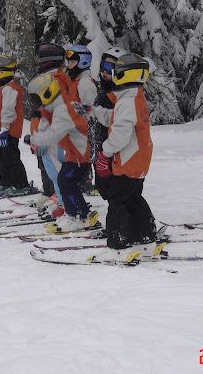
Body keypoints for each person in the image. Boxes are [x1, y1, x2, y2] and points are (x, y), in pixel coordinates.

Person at [73, 54, 158, 262]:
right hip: (139, 161)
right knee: (133, 199)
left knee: (117, 202)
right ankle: (145, 241)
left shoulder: (127, 102)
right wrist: (92, 111)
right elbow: (113, 118)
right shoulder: (134, 98)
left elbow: (120, 134)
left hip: (128, 161)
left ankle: (118, 247)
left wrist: (105, 152)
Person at [24, 72, 90, 231]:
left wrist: (33, 140)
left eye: (35, 100)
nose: (33, 103)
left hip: (80, 154)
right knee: (65, 181)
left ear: (47, 95)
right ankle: (80, 213)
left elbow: (54, 135)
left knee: (65, 181)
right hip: (74, 153)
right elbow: (49, 116)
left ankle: (78, 217)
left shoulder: (62, 110)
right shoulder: (56, 105)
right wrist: (40, 113)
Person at [0, 55, 30, 196]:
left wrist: (4, 129)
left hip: (8, 130)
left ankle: (20, 184)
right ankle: (5, 182)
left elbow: (8, 110)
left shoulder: (10, 89)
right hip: (0, 130)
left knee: (10, 157)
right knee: (0, 156)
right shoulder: (4, 88)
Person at [90, 47, 127, 201]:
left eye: (110, 68)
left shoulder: (119, 94)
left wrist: (106, 155)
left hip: (111, 152)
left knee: (116, 192)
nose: (105, 72)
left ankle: (124, 222)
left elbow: (116, 124)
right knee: (104, 189)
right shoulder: (102, 90)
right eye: (103, 67)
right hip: (98, 148)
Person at [66, 45, 97, 194]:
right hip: (73, 129)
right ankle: (79, 181)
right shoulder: (74, 81)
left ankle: (85, 183)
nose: (69, 65)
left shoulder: (85, 83)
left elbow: (90, 108)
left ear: (83, 62)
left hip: (83, 129)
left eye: (72, 62)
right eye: (68, 62)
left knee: (82, 156)